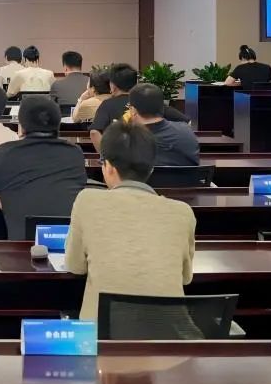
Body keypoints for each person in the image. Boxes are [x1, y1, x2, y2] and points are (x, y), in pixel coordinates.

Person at [64, 120, 196, 321]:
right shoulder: (183, 212)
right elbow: (185, 277)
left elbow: (75, 266)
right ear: (151, 169)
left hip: (102, 335)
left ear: (109, 167)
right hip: (166, 334)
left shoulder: (87, 201)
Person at [0, 96, 88, 240]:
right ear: (58, 123)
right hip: (68, 244)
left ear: (21, 125)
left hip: (22, 247)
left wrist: (8, 203)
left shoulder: (5, 152)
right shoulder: (74, 153)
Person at [90, 63, 188, 149]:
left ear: (113, 85)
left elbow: (94, 132)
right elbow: (186, 121)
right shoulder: (149, 100)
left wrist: (106, 157)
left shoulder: (107, 104)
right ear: (135, 83)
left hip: (121, 159)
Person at [127, 83, 200, 167]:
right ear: (162, 107)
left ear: (133, 110)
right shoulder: (186, 131)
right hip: (188, 176)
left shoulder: (126, 140)